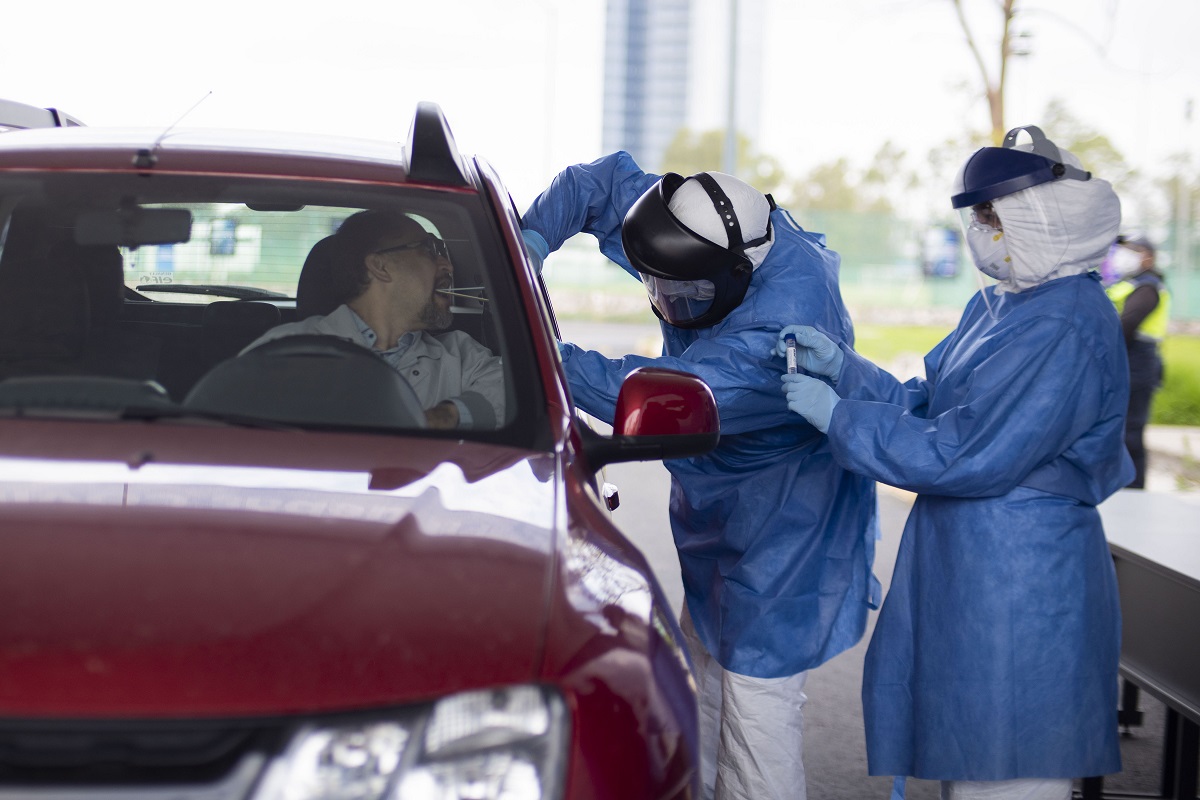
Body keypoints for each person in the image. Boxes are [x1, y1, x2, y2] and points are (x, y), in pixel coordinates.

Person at [774, 126, 1134, 800]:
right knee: (968, 753)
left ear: (1040, 223)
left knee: (1009, 762)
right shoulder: (1000, 304)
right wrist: (845, 372)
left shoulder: (1066, 322)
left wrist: (839, 415)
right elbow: (931, 407)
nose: (980, 236)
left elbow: (971, 451)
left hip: (1021, 575)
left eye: (992, 221)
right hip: (975, 565)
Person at [521, 152, 879, 800]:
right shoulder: (693, 229)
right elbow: (596, 185)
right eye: (652, 282)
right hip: (718, 505)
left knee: (756, 712)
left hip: (784, 526)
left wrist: (528, 349)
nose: (662, 302)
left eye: (677, 290)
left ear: (732, 276)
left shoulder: (780, 334)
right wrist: (531, 240)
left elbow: (657, 389)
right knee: (702, 687)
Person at [245, 210, 504, 429]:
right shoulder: (284, 350)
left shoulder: (462, 355)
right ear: (380, 266)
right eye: (429, 250)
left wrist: (446, 416)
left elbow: (513, 395)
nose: (448, 266)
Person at [1106, 232, 1170, 488]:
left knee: (1130, 431)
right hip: (1126, 361)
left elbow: (1127, 324)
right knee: (1118, 429)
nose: (1125, 254)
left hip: (1138, 364)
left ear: (1149, 258)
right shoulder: (1125, 284)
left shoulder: (1148, 287)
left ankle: (1133, 487)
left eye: (1134, 249)